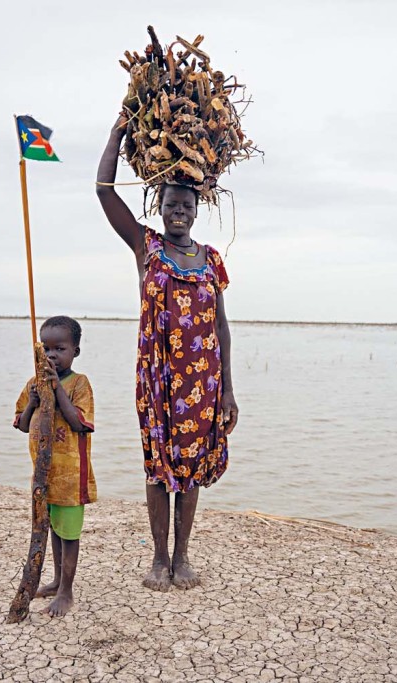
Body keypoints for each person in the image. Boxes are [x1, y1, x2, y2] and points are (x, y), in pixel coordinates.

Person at [96, 115, 239, 592]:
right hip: (157, 376)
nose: (179, 212)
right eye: (171, 204)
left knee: (192, 466)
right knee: (159, 466)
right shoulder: (146, 246)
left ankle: (183, 559)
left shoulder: (211, 258)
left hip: (203, 382)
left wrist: (229, 393)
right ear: (160, 206)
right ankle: (158, 559)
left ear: (197, 210)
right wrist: (117, 135)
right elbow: (103, 192)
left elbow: (221, 326)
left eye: (186, 206)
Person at [13, 316, 96, 617]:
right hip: (43, 478)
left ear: (75, 351)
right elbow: (22, 425)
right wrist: (35, 400)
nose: (51, 356)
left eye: (59, 349)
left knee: (68, 535)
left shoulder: (79, 384)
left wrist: (56, 390)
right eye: (46, 350)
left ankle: (66, 592)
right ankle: (56, 580)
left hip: (70, 479)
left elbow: (80, 423)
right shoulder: (33, 384)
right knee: (52, 531)